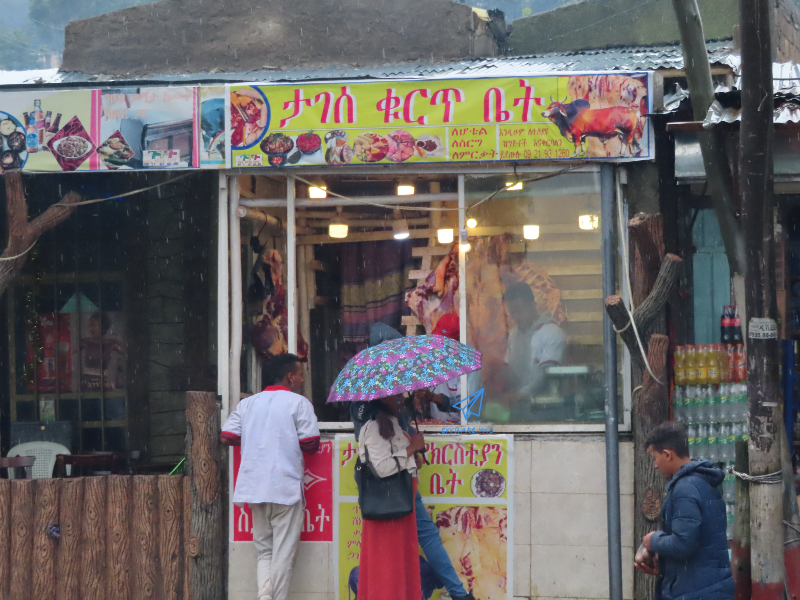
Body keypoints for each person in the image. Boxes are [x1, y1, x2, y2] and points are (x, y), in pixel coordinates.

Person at [351, 322, 476, 600]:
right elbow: (377, 458)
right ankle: (456, 593)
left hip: (398, 480)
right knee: (416, 540)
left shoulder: (390, 393)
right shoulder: (369, 401)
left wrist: (412, 420)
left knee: (405, 545)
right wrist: (408, 447)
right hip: (388, 485)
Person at [221, 353, 320, 600]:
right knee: (283, 554)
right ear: (290, 377)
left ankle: (265, 597)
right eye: (301, 375)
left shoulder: (248, 403)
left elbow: (227, 436)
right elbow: (311, 443)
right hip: (284, 487)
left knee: (264, 551)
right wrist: (285, 438)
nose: (302, 380)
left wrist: (257, 437)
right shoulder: (299, 403)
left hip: (255, 487)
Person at [635, 422, 733, 600]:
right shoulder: (703, 482)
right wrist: (665, 568)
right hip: (711, 586)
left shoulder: (685, 489)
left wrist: (652, 540)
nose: (655, 465)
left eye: (655, 458)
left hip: (698, 593)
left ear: (667, 454)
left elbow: (682, 544)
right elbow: (701, 544)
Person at [357, 393, 426, 600]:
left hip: (401, 505)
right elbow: (382, 468)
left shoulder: (393, 422)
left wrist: (414, 458)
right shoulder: (374, 427)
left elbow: (398, 459)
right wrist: (411, 448)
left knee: (399, 563)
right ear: (384, 398)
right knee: (386, 565)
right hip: (388, 508)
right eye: (396, 396)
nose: (402, 399)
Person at [502, 281, 567, 402]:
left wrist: (520, 395)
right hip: (518, 404)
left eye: (519, 310)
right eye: (512, 312)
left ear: (533, 305)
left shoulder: (553, 333)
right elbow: (510, 372)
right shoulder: (513, 335)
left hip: (546, 405)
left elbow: (547, 374)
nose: (516, 316)